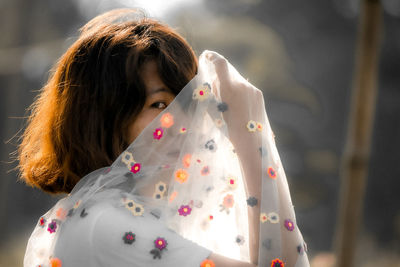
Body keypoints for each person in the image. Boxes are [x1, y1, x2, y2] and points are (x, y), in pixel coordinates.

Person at [18, 8, 309, 267]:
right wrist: (250, 135)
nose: (184, 124)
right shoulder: (104, 225)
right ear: (101, 116)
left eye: (188, 105)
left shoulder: (115, 220)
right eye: (159, 105)